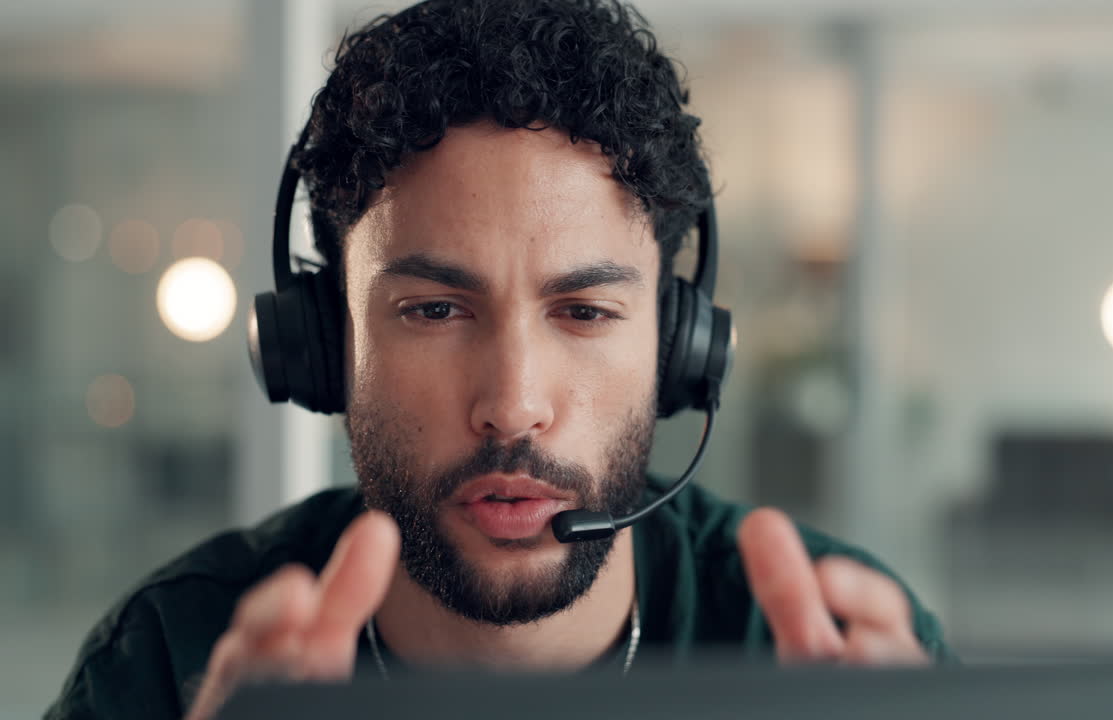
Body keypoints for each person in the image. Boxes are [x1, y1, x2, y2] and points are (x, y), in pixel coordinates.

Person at [47, 1, 951, 718]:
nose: (513, 405)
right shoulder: (175, 664)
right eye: (434, 309)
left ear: (678, 349)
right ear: (325, 344)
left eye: (586, 310)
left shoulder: (835, 659)